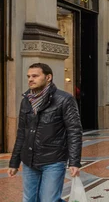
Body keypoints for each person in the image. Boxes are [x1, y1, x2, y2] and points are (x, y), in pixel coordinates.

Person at [7, 63, 83, 202]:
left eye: (35, 76)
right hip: (29, 160)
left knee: (49, 200)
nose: (30, 79)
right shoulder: (26, 101)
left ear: (48, 77)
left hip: (53, 160)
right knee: (29, 199)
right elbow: (21, 133)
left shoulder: (64, 99)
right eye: (29, 76)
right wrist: (14, 162)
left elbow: (74, 131)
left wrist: (74, 161)